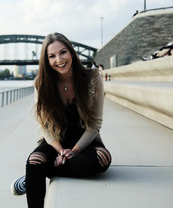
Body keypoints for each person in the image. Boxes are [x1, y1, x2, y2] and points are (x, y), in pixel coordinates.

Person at [10, 32, 112, 208]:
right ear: (47, 60)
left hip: (85, 140)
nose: (59, 59)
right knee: (34, 160)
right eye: (52, 56)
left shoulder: (93, 78)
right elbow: (45, 125)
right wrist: (60, 150)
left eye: (63, 52)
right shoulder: (41, 84)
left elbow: (95, 124)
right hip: (56, 139)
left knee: (103, 158)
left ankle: (34, 176)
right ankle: (36, 172)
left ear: (71, 52)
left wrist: (75, 151)